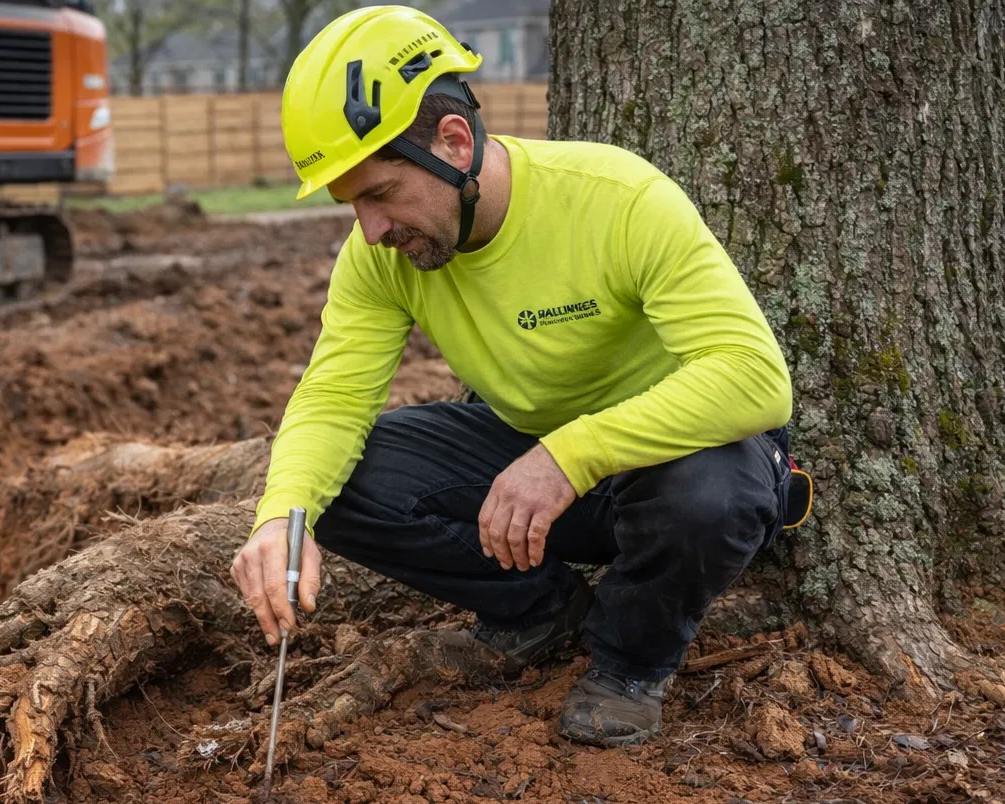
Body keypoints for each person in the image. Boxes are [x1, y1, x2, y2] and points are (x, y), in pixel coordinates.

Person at [229, 5, 802, 747]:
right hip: (533, 459)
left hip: (670, 460)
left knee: (708, 500)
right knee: (337, 482)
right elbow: (334, 397)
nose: (370, 230)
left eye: (379, 194)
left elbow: (755, 380)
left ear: (455, 143)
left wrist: (571, 454)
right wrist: (283, 515)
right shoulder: (381, 255)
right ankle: (539, 609)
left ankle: (629, 662)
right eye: (351, 205)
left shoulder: (615, 198)